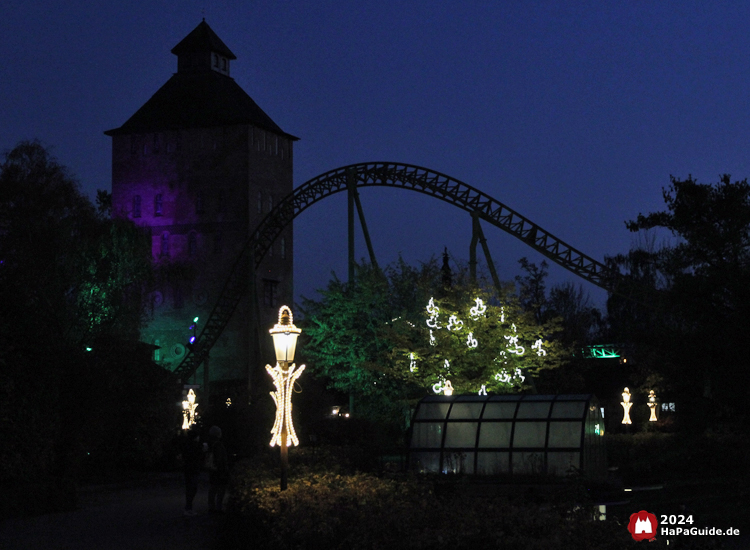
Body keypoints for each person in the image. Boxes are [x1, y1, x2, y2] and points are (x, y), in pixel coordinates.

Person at [178, 428, 204, 516]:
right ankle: (188, 508)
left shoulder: (187, 445)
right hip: (193, 469)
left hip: (188, 469)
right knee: (192, 488)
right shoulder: (195, 446)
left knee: (190, 488)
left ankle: (188, 507)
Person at [207, 425, 229, 513]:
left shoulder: (210, 443)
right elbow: (220, 458)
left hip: (212, 469)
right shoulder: (218, 445)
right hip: (219, 470)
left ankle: (211, 506)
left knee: (213, 488)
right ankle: (218, 507)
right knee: (220, 489)